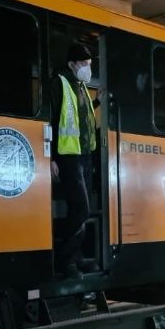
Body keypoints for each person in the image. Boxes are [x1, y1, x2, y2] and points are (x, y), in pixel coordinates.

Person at [50, 43, 100, 279]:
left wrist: (97, 103)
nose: (87, 69)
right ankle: (65, 259)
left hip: (84, 154)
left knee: (80, 210)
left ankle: (75, 256)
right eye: (84, 64)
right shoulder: (60, 83)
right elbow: (51, 118)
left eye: (89, 65)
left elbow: (81, 119)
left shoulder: (81, 87)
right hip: (68, 155)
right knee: (81, 208)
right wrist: (51, 156)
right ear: (71, 64)